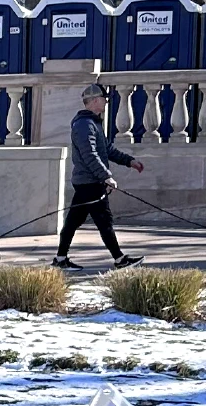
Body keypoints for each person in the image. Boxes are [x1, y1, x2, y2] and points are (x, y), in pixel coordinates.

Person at [54, 81, 143, 268]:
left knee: (73, 222)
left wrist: (130, 161)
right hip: (90, 183)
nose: (106, 103)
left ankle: (60, 259)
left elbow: (107, 149)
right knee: (104, 221)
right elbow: (90, 155)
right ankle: (120, 259)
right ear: (94, 100)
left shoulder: (92, 124)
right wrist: (106, 176)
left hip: (87, 183)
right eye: (104, 99)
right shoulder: (84, 125)